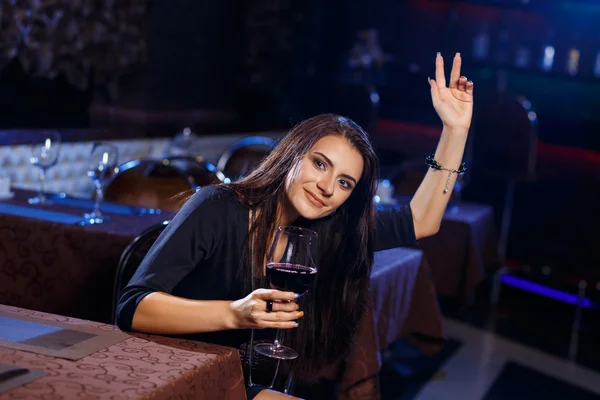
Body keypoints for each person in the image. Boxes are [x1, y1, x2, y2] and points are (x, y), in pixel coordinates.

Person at [116, 53, 474, 399]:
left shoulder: (333, 230)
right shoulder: (217, 207)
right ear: (292, 155)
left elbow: (422, 220)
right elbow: (132, 308)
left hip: (251, 383)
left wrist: (454, 131)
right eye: (320, 164)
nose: (328, 187)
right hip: (183, 372)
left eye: (345, 183)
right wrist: (235, 313)